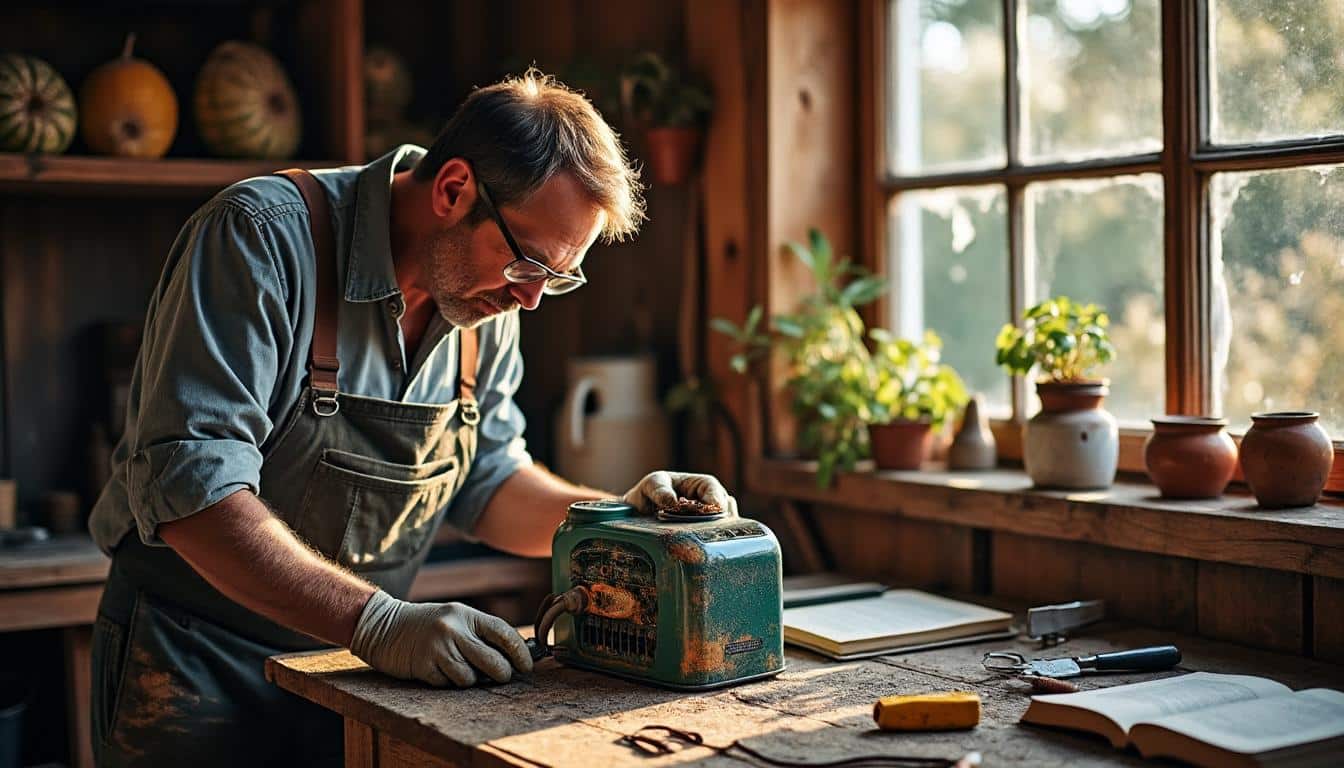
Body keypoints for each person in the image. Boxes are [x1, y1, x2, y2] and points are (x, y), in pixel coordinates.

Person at [85, 70, 735, 767]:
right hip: (197, 663)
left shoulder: (487, 303)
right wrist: (378, 620)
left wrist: (616, 518)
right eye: (527, 265)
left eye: (557, 278)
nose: (534, 300)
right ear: (454, 190)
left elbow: (487, 484)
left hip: (357, 671)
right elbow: (192, 492)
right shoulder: (261, 238)